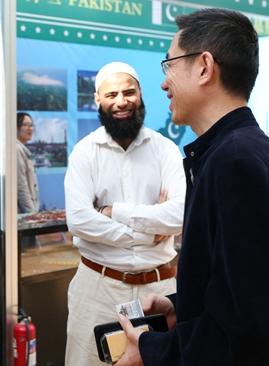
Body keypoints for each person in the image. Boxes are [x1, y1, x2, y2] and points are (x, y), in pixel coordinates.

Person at [114, 8, 269, 366]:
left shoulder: (235, 163)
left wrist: (152, 350)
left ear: (204, 67)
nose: (163, 83)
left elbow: (258, 331)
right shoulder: (244, 151)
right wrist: (181, 307)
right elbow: (249, 292)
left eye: (169, 65)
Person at [64, 61, 186, 366]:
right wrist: (149, 231)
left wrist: (111, 211)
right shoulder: (85, 152)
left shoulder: (166, 150)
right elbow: (78, 220)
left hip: (161, 290)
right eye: (111, 95)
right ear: (98, 100)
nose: (121, 101)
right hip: (97, 289)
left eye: (129, 92)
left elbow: (180, 214)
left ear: (140, 93)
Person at [17, 112, 39, 213]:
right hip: (23, 213)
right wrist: (31, 214)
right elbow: (21, 186)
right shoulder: (16, 149)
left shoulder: (21, 149)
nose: (30, 129)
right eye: (25, 125)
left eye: (31, 125)